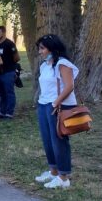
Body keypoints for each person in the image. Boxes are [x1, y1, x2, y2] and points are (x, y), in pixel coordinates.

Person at [34, 34, 78, 189]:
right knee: (47, 140)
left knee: (58, 141)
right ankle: (53, 171)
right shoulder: (45, 65)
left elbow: (69, 86)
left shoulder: (63, 64)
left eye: (42, 48)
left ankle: (63, 177)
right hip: (44, 105)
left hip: (58, 106)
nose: (40, 52)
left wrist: (56, 102)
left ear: (52, 49)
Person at [0, 26, 20, 119]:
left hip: (9, 72)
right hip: (0, 72)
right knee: (2, 93)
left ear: (4, 33)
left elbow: (17, 57)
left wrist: (11, 65)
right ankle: (2, 112)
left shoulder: (10, 44)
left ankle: (9, 113)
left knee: (9, 92)